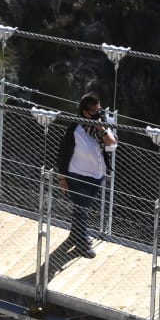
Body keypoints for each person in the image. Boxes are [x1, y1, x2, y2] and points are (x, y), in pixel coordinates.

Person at [56, 92, 116, 259]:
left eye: (100, 110)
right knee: (82, 209)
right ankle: (83, 243)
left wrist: (100, 127)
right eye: (95, 111)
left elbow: (112, 143)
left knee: (81, 208)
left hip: (97, 176)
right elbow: (63, 154)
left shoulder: (103, 125)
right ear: (85, 113)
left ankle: (74, 235)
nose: (99, 114)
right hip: (77, 176)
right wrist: (62, 178)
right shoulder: (74, 130)